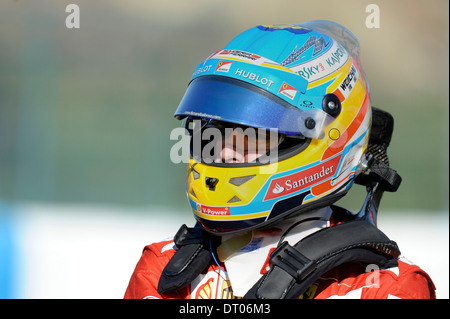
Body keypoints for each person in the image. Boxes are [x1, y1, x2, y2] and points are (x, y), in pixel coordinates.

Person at [124, 21, 435, 299]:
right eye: (215, 132)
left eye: (253, 135)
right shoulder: (163, 269)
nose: (224, 152)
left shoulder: (379, 286)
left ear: (325, 139)